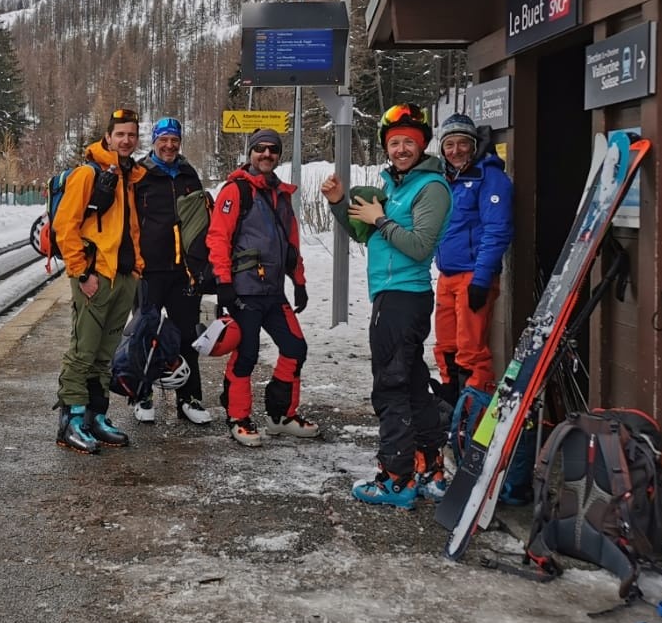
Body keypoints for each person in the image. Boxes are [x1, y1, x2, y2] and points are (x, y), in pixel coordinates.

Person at [322, 104, 451, 506]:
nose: (400, 149)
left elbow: (418, 247)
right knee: (412, 384)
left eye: (408, 143)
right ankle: (430, 467)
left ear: (422, 146)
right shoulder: (395, 186)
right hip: (391, 295)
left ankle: (395, 478)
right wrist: (340, 203)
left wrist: (380, 220)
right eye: (394, 143)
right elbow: (369, 236)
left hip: (403, 296)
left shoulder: (431, 187)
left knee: (391, 387)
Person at [206, 128, 318, 448]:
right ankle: (238, 417)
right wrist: (224, 283)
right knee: (247, 356)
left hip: (273, 292)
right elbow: (218, 238)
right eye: (260, 149)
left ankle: (281, 415)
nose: (266, 154)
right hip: (244, 293)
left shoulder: (280, 194)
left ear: (278, 156)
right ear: (251, 153)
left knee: (296, 348)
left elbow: (291, 244)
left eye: (273, 150)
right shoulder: (236, 191)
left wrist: (299, 282)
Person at [53, 107, 147, 455]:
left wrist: (136, 268)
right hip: (95, 277)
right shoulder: (87, 174)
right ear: (108, 136)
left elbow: (132, 229)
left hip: (123, 278)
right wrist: (81, 272)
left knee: (105, 355)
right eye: (120, 134)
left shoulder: (129, 176)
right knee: (83, 352)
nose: (126, 140)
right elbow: (66, 226)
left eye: (131, 135)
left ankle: (96, 415)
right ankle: (71, 421)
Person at [130, 117, 211, 425]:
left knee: (186, 334)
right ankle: (142, 393)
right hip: (149, 269)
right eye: (163, 139)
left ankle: (189, 399)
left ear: (179, 142)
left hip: (184, 270)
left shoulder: (189, 173)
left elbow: (200, 220)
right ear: (154, 141)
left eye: (174, 140)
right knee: (145, 332)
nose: (169, 145)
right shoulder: (141, 174)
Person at [432, 113, 514, 405]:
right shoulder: (447, 179)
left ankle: (474, 414)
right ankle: (453, 406)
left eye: (462, 144)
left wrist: (481, 279)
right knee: (446, 347)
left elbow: (497, 229)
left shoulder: (489, 177)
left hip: (473, 276)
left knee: (471, 351)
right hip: (447, 276)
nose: (455, 151)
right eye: (449, 145)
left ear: (474, 144)